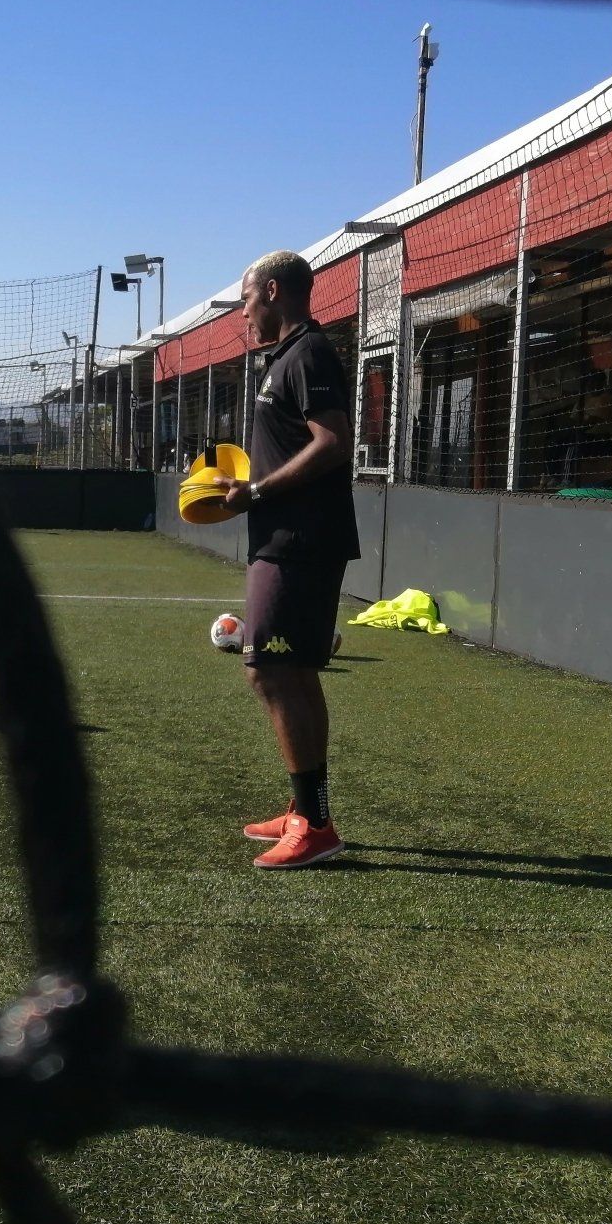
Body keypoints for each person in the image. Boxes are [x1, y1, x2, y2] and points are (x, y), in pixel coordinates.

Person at [214, 250, 360, 870]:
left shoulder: (309, 355)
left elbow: (332, 443)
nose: (244, 314)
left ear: (272, 291)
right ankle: (307, 809)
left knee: (277, 673)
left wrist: (260, 491)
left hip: (303, 539)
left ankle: (316, 824)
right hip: (284, 538)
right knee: (278, 671)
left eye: (247, 300)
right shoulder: (284, 359)